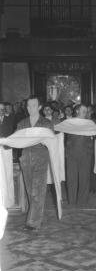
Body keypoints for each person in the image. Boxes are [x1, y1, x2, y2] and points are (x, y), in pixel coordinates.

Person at [17, 96, 54, 230]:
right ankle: (35, 216)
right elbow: (16, 139)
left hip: (40, 158)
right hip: (26, 158)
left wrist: (46, 141)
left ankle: (33, 222)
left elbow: (52, 139)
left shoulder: (46, 123)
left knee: (37, 190)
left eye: (33, 105)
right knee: (29, 189)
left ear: (39, 107)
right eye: (28, 106)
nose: (30, 108)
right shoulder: (22, 123)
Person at [65, 104, 96, 205]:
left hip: (86, 153)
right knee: (71, 178)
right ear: (77, 111)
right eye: (83, 110)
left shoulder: (89, 123)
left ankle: (82, 201)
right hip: (71, 154)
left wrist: (94, 132)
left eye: (86, 110)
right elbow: (60, 132)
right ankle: (72, 200)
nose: (86, 112)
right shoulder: (70, 122)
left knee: (84, 178)